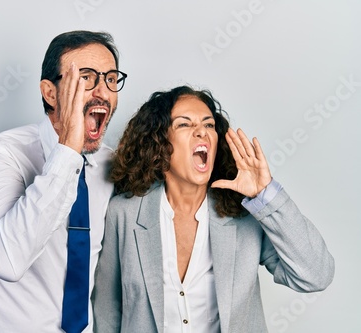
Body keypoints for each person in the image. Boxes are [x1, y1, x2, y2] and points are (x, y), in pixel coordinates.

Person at [92, 85, 334, 333]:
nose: (202, 133)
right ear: (159, 144)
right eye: (184, 125)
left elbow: (316, 275)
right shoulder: (124, 213)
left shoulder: (244, 214)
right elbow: (108, 311)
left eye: (209, 125)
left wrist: (266, 194)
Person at [0, 30, 127, 333]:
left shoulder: (111, 165)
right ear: (50, 93)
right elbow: (8, 261)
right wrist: (68, 151)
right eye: (86, 78)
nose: (102, 90)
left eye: (111, 79)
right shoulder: (3, 153)